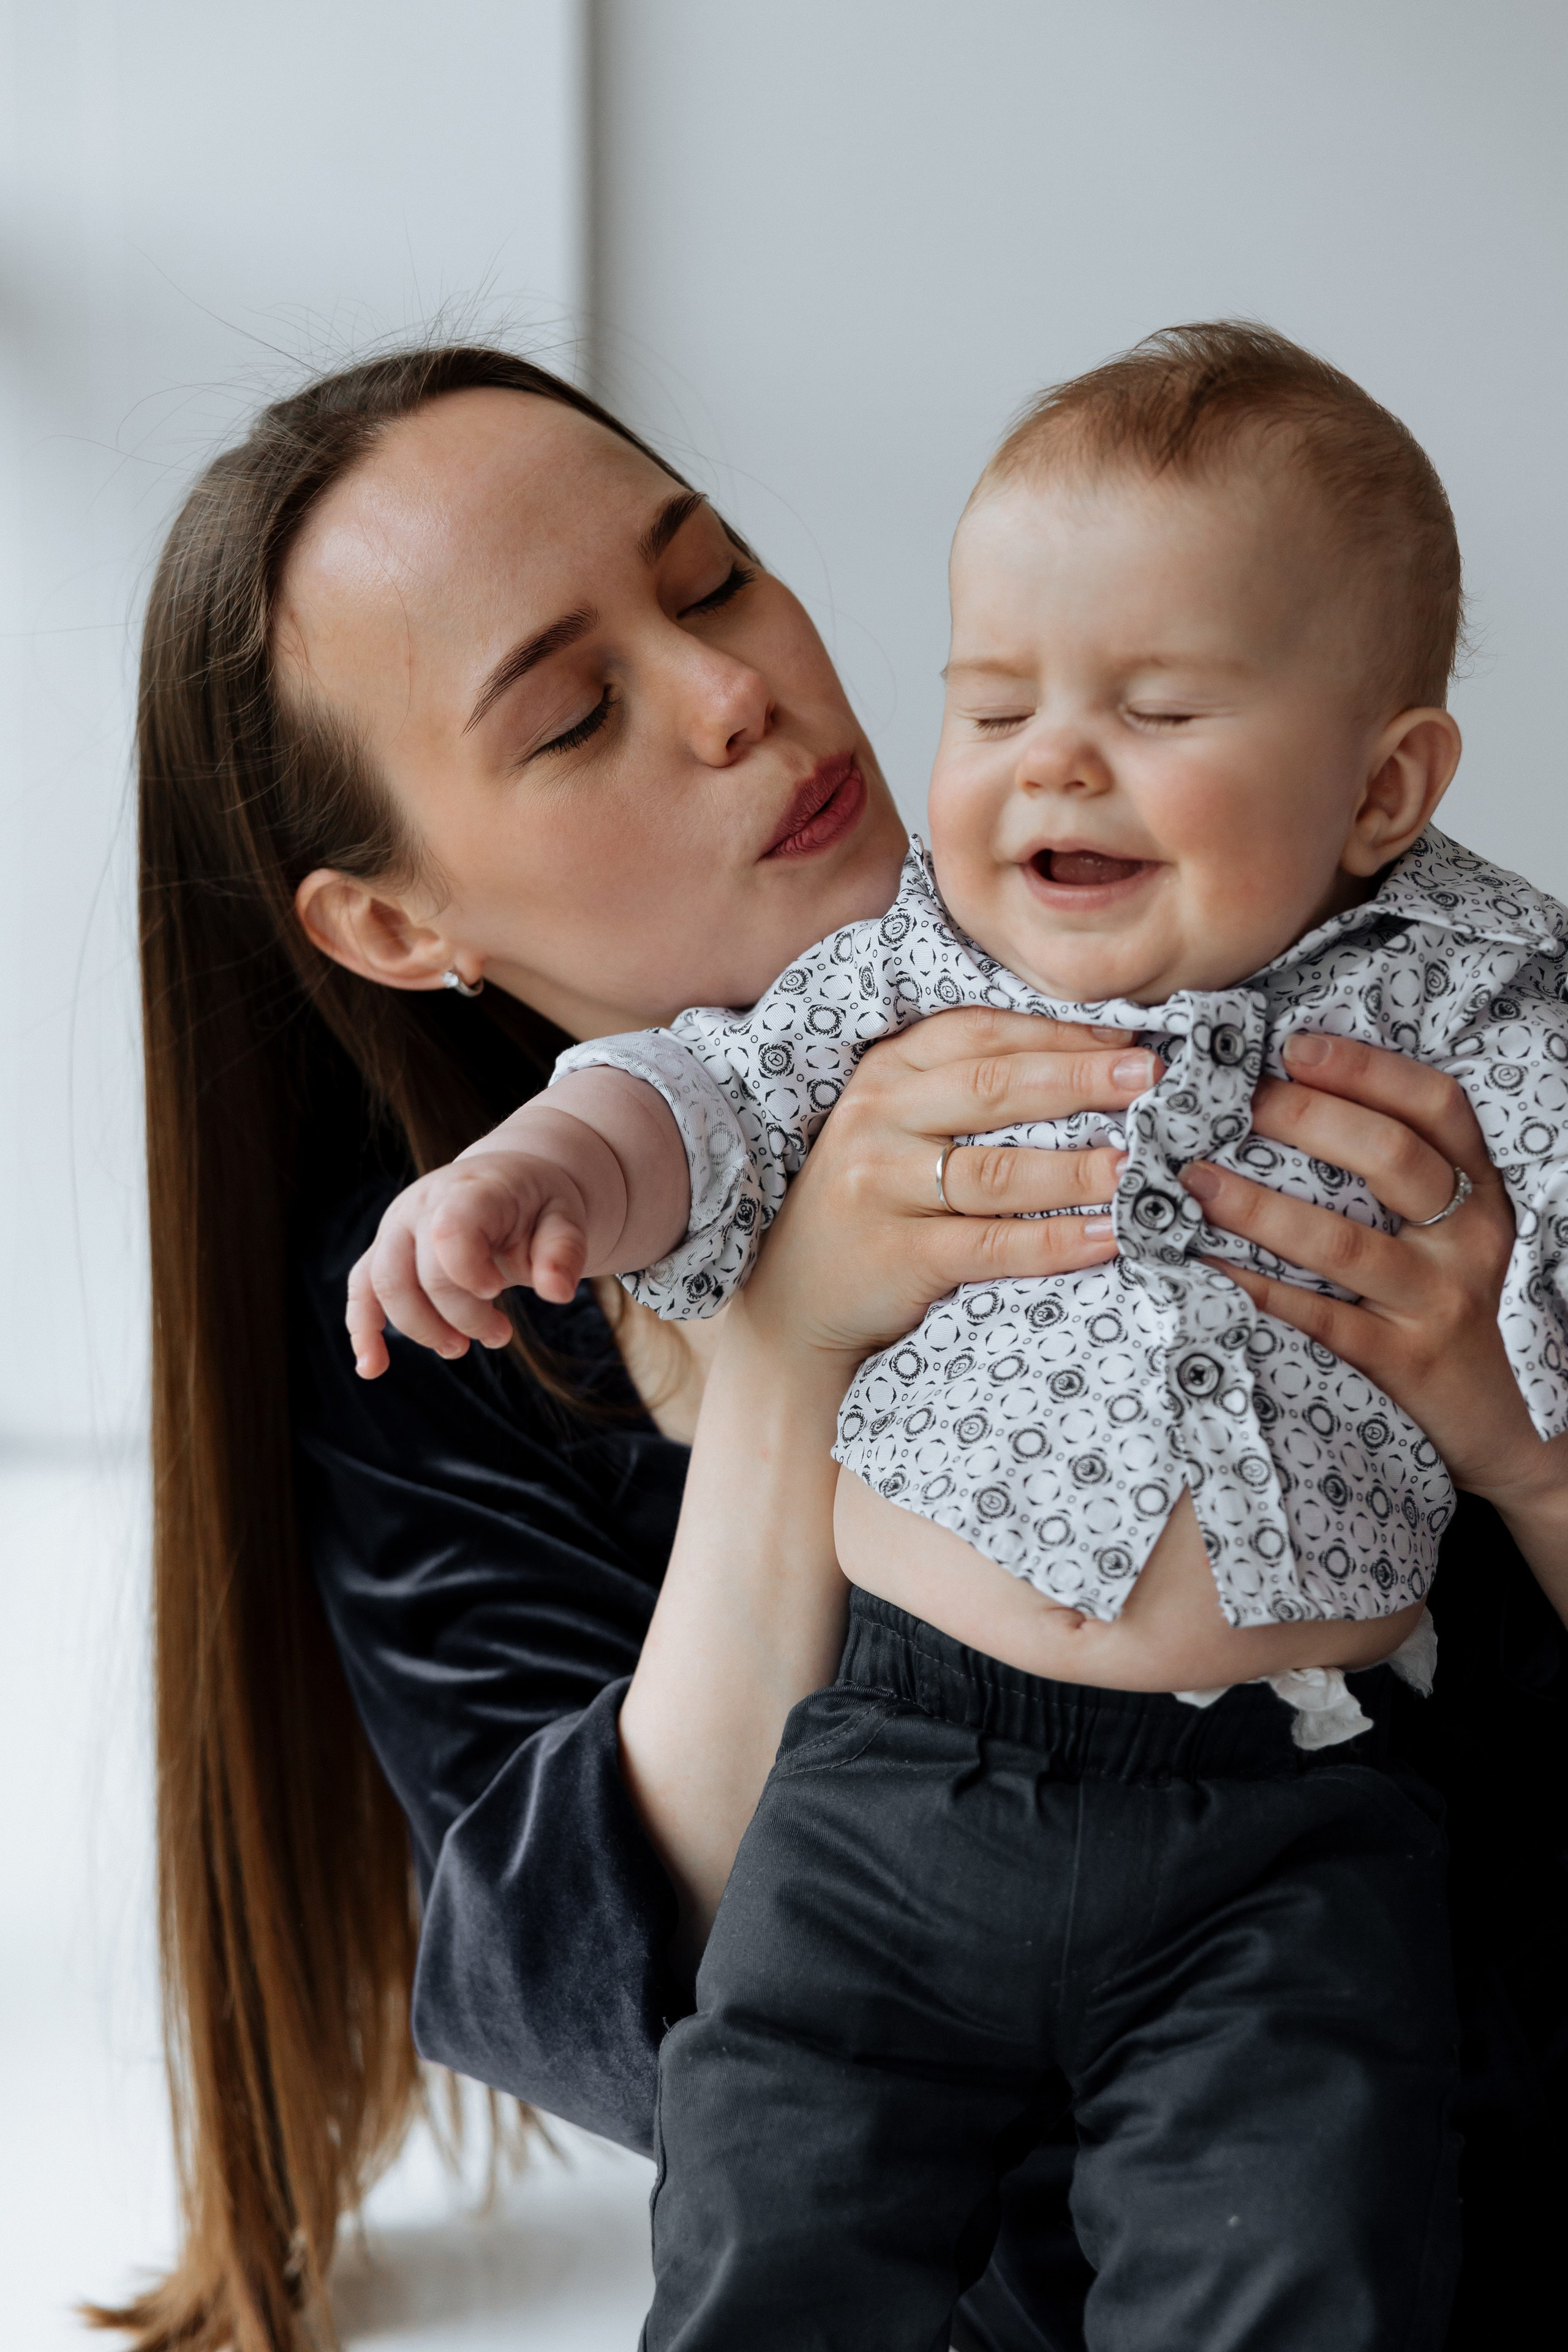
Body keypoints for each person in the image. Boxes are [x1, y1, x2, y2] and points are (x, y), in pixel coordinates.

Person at [97, 341, 1567, 2352]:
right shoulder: (456, 1320)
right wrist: (791, 1353)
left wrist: (1520, 1447)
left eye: (712, 581)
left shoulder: (1354, 1026)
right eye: (576, 713)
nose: (738, 694)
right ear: (392, 925)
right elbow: (634, 2012)